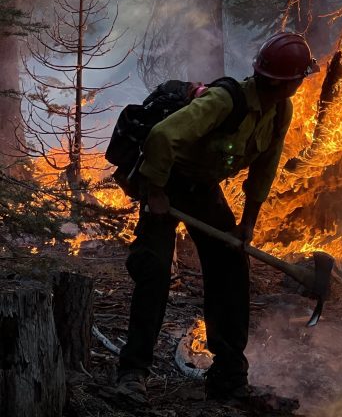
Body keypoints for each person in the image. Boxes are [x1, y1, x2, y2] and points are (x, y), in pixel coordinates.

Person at [116, 31, 320, 406]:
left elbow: (264, 169)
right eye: (298, 78)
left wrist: (247, 224)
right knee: (154, 270)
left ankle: (229, 376)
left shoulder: (279, 112)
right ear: (289, 81)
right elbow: (162, 137)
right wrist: (157, 193)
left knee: (230, 265)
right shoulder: (225, 101)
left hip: (202, 186)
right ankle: (133, 372)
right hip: (165, 179)